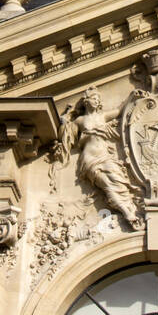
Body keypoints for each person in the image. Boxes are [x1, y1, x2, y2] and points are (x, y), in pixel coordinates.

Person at [54, 86, 140, 229]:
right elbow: (66, 135)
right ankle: (126, 212)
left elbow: (119, 110)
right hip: (90, 159)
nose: (96, 101)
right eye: (94, 98)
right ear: (86, 101)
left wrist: (131, 96)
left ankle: (130, 207)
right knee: (108, 185)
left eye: (98, 99)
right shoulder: (80, 120)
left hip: (106, 156)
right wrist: (64, 120)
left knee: (119, 181)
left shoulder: (102, 116)